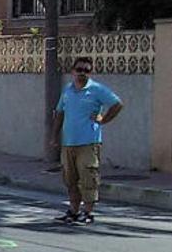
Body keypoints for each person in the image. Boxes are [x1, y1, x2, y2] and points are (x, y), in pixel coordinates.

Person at [53, 57, 124, 224]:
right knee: (70, 179)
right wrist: (54, 136)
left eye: (86, 70)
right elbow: (59, 113)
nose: (82, 73)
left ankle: (88, 212)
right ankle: (73, 210)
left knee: (88, 178)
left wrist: (103, 119)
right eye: (79, 70)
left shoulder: (96, 90)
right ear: (73, 71)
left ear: (90, 73)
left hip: (88, 143)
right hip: (69, 143)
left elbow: (117, 104)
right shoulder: (68, 91)